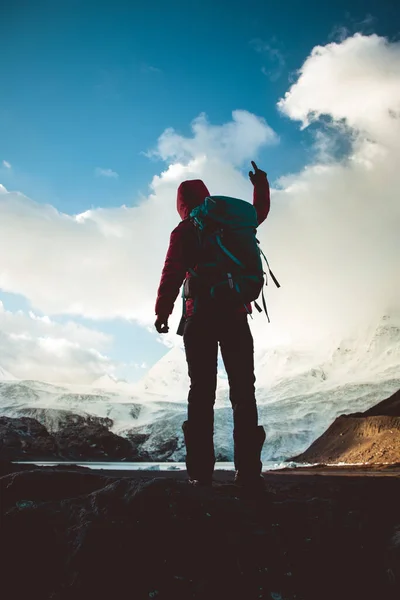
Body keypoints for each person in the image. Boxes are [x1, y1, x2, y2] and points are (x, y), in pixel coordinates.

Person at [155, 161, 270, 486]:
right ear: (207, 197)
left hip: (200, 318)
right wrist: (260, 183)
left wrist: (162, 313)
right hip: (235, 315)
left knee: (202, 393)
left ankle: (200, 473)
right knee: (243, 393)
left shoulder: (185, 230)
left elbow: (172, 273)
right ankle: (248, 472)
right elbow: (258, 212)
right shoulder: (231, 223)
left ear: (181, 205)